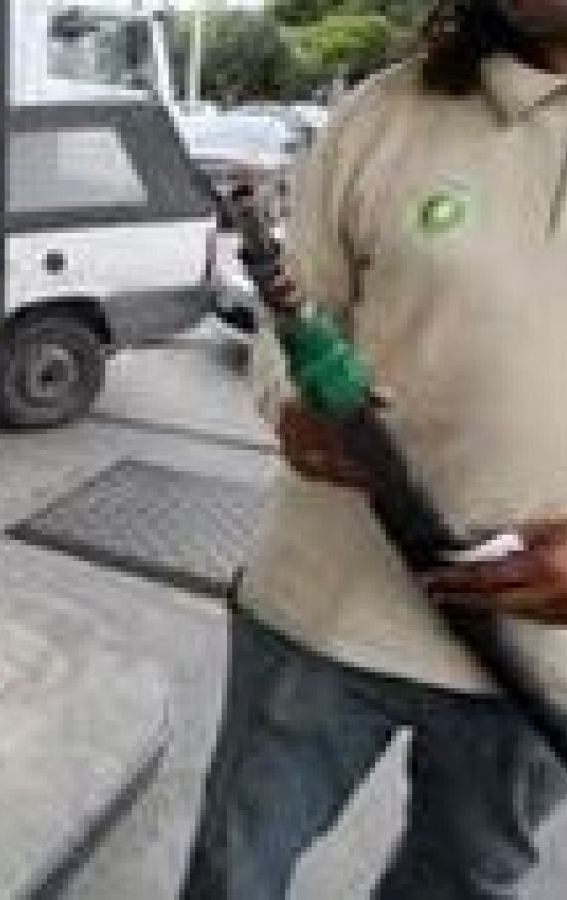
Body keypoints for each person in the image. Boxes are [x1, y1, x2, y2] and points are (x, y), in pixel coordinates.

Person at [181, 0, 567, 896]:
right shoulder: (382, 113)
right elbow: (288, 322)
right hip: (327, 609)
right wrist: (292, 409)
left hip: (540, 662)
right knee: (233, 873)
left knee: (458, 885)